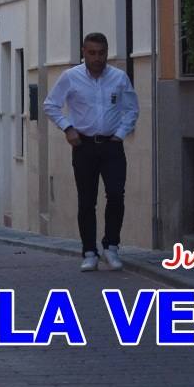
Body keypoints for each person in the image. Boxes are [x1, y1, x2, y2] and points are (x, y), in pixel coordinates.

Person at [43, 32, 139, 272]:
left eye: (102, 53)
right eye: (92, 53)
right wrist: (67, 128)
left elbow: (132, 109)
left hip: (112, 145)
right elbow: (50, 104)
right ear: (83, 52)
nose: (97, 58)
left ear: (107, 53)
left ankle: (111, 247)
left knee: (116, 194)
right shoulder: (70, 77)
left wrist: (120, 134)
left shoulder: (119, 78)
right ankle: (89, 252)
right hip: (83, 146)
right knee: (87, 201)